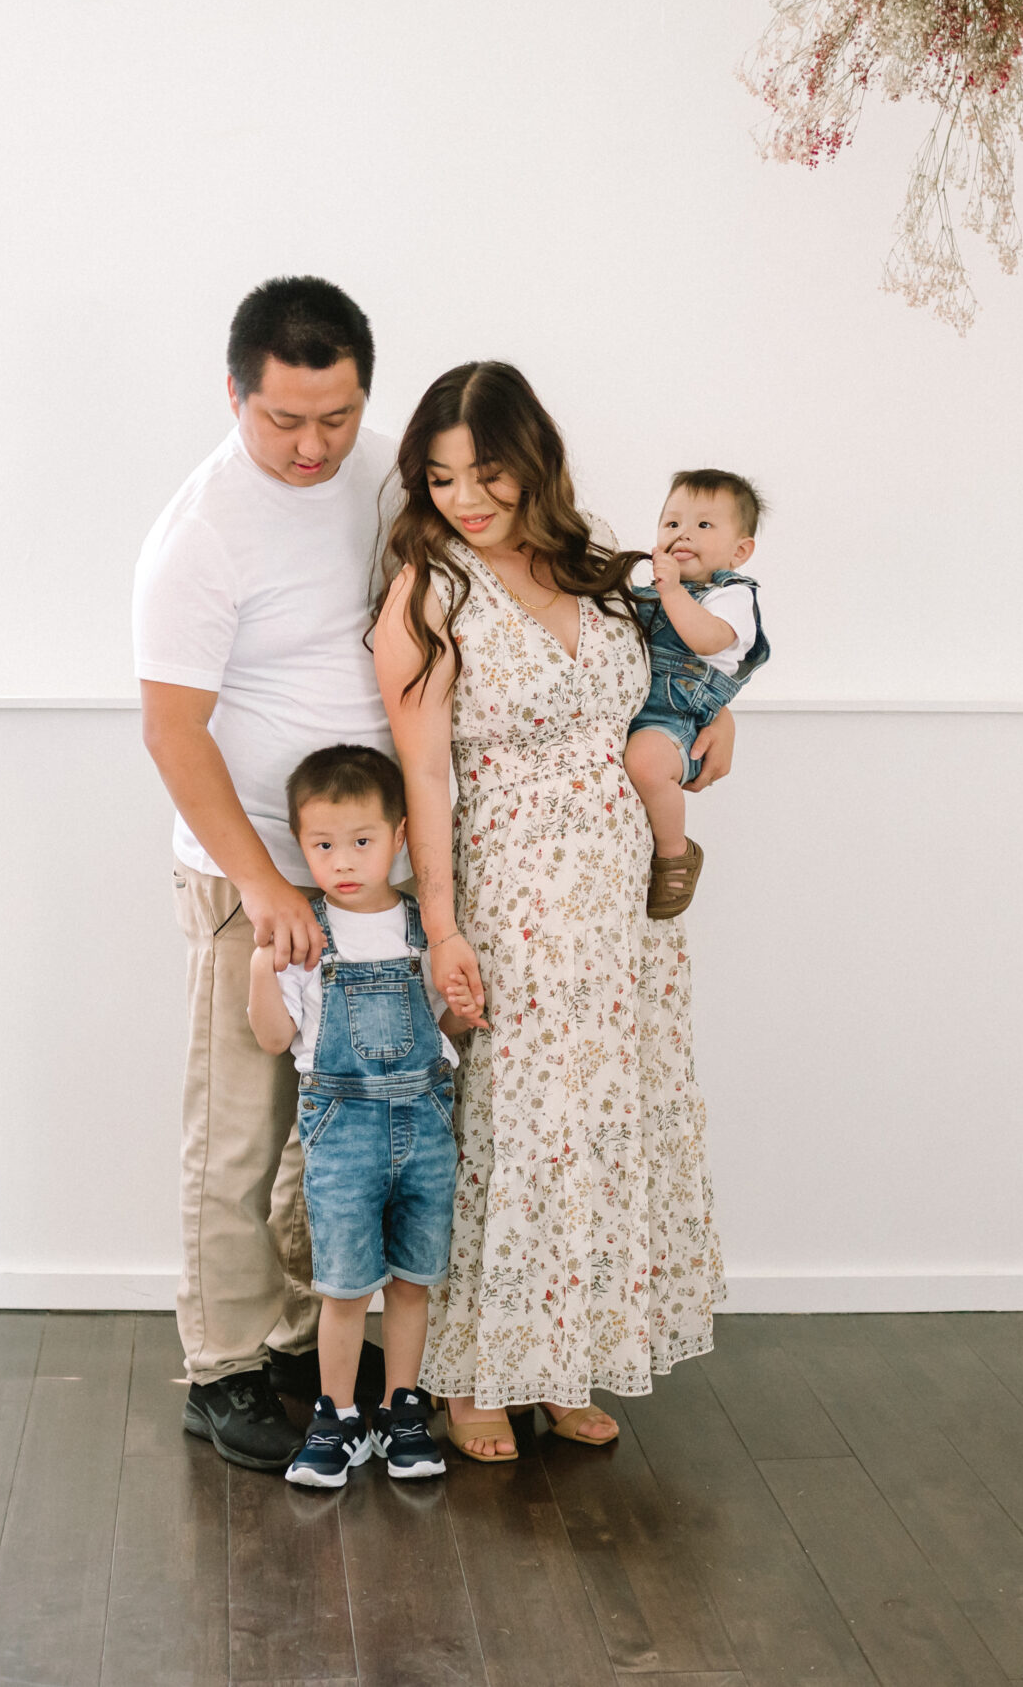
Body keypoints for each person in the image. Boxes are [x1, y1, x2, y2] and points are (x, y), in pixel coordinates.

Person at [372, 360, 729, 1463]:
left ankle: (565, 1355)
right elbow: (423, 774)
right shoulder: (428, 592)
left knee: (602, 1121)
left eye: (486, 474)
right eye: (439, 480)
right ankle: (479, 1371)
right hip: (515, 888)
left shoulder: (603, 571)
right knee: (514, 1128)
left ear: (535, 465)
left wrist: (719, 723)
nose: (466, 500)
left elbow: (687, 676)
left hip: (621, 900)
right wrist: (440, 924)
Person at [135, 277, 392, 1470]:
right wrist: (264, 886)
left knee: (330, 1131)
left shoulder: (382, 472)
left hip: (364, 876)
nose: (310, 445)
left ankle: (297, 1332)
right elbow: (173, 732)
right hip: (252, 873)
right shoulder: (200, 529)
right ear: (233, 391)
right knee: (240, 1130)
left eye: (333, 416)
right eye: (284, 417)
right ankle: (224, 1365)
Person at [246, 746, 470, 1487]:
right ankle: (336, 1414)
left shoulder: (422, 926)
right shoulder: (306, 933)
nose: (343, 860)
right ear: (300, 843)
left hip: (426, 1126)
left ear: (400, 835)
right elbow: (278, 1040)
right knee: (344, 1287)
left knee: (412, 1280)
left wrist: (468, 1011)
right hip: (341, 1135)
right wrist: (261, 968)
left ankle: (401, 1407)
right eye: (322, 844)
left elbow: (446, 1026)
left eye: (362, 841)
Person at [624, 470, 773, 919]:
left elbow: (706, 640)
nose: (682, 534)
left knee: (647, 763)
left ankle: (674, 853)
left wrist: (671, 592)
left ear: (739, 551)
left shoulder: (730, 596)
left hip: (679, 721)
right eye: (671, 524)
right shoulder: (652, 592)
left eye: (703, 525)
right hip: (634, 713)